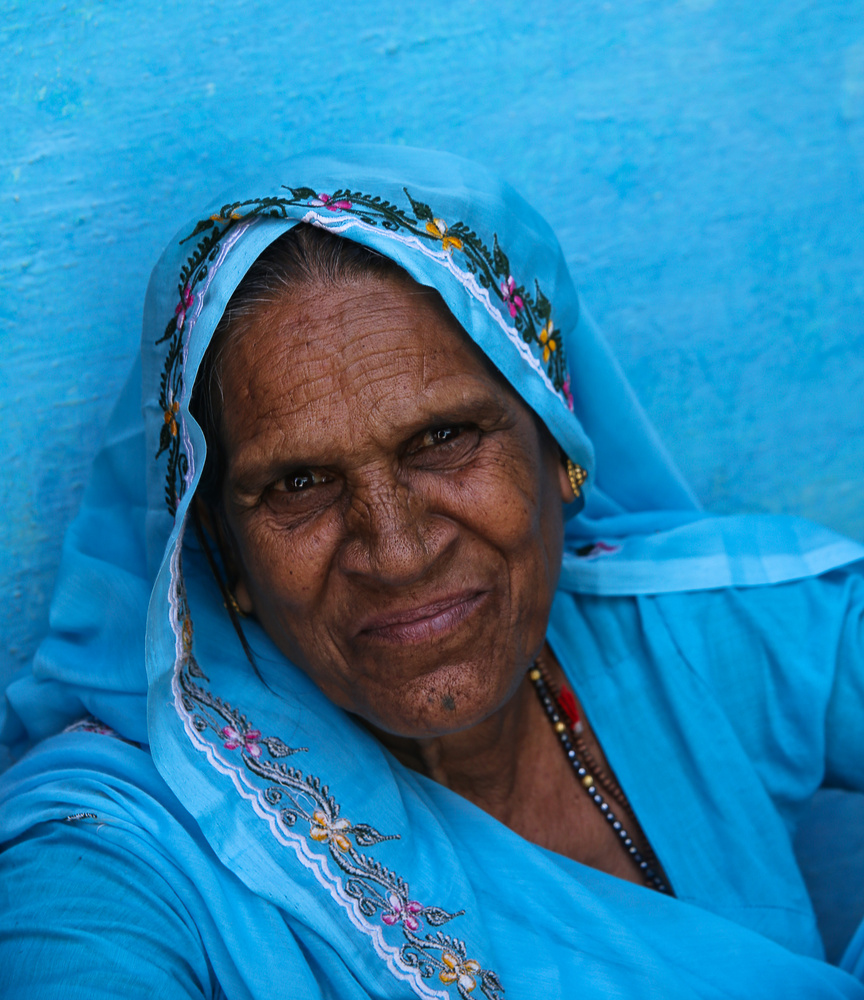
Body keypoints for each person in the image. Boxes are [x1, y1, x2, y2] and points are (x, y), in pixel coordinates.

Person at [1, 145, 863, 998]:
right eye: (298, 484)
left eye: (443, 439)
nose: (400, 551)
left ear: (559, 450)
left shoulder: (692, 630)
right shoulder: (120, 843)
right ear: (219, 554)